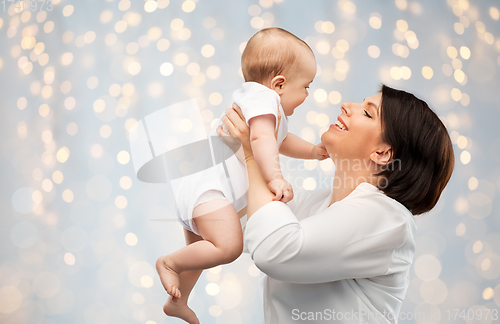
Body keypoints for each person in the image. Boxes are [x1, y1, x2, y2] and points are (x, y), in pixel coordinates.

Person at [216, 84, 455, 323]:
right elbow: (235, 225)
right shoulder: (318, 204)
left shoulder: (389, 217)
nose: (347, 105)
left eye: (367, 113)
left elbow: (273, 249)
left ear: (382, 153)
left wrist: (251, 153)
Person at [156, 28, 328, 324]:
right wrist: (274, 178)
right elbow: (261, 141)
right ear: (279, 84)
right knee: (229, 246)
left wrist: (312, 151)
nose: (307, 95)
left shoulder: (259, 104)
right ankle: (168, 263)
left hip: (199, 187)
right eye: (306, 87)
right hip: (209, 191)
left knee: (200, 251)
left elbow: (279, 141)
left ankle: (178, 301)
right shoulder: (264, 100)